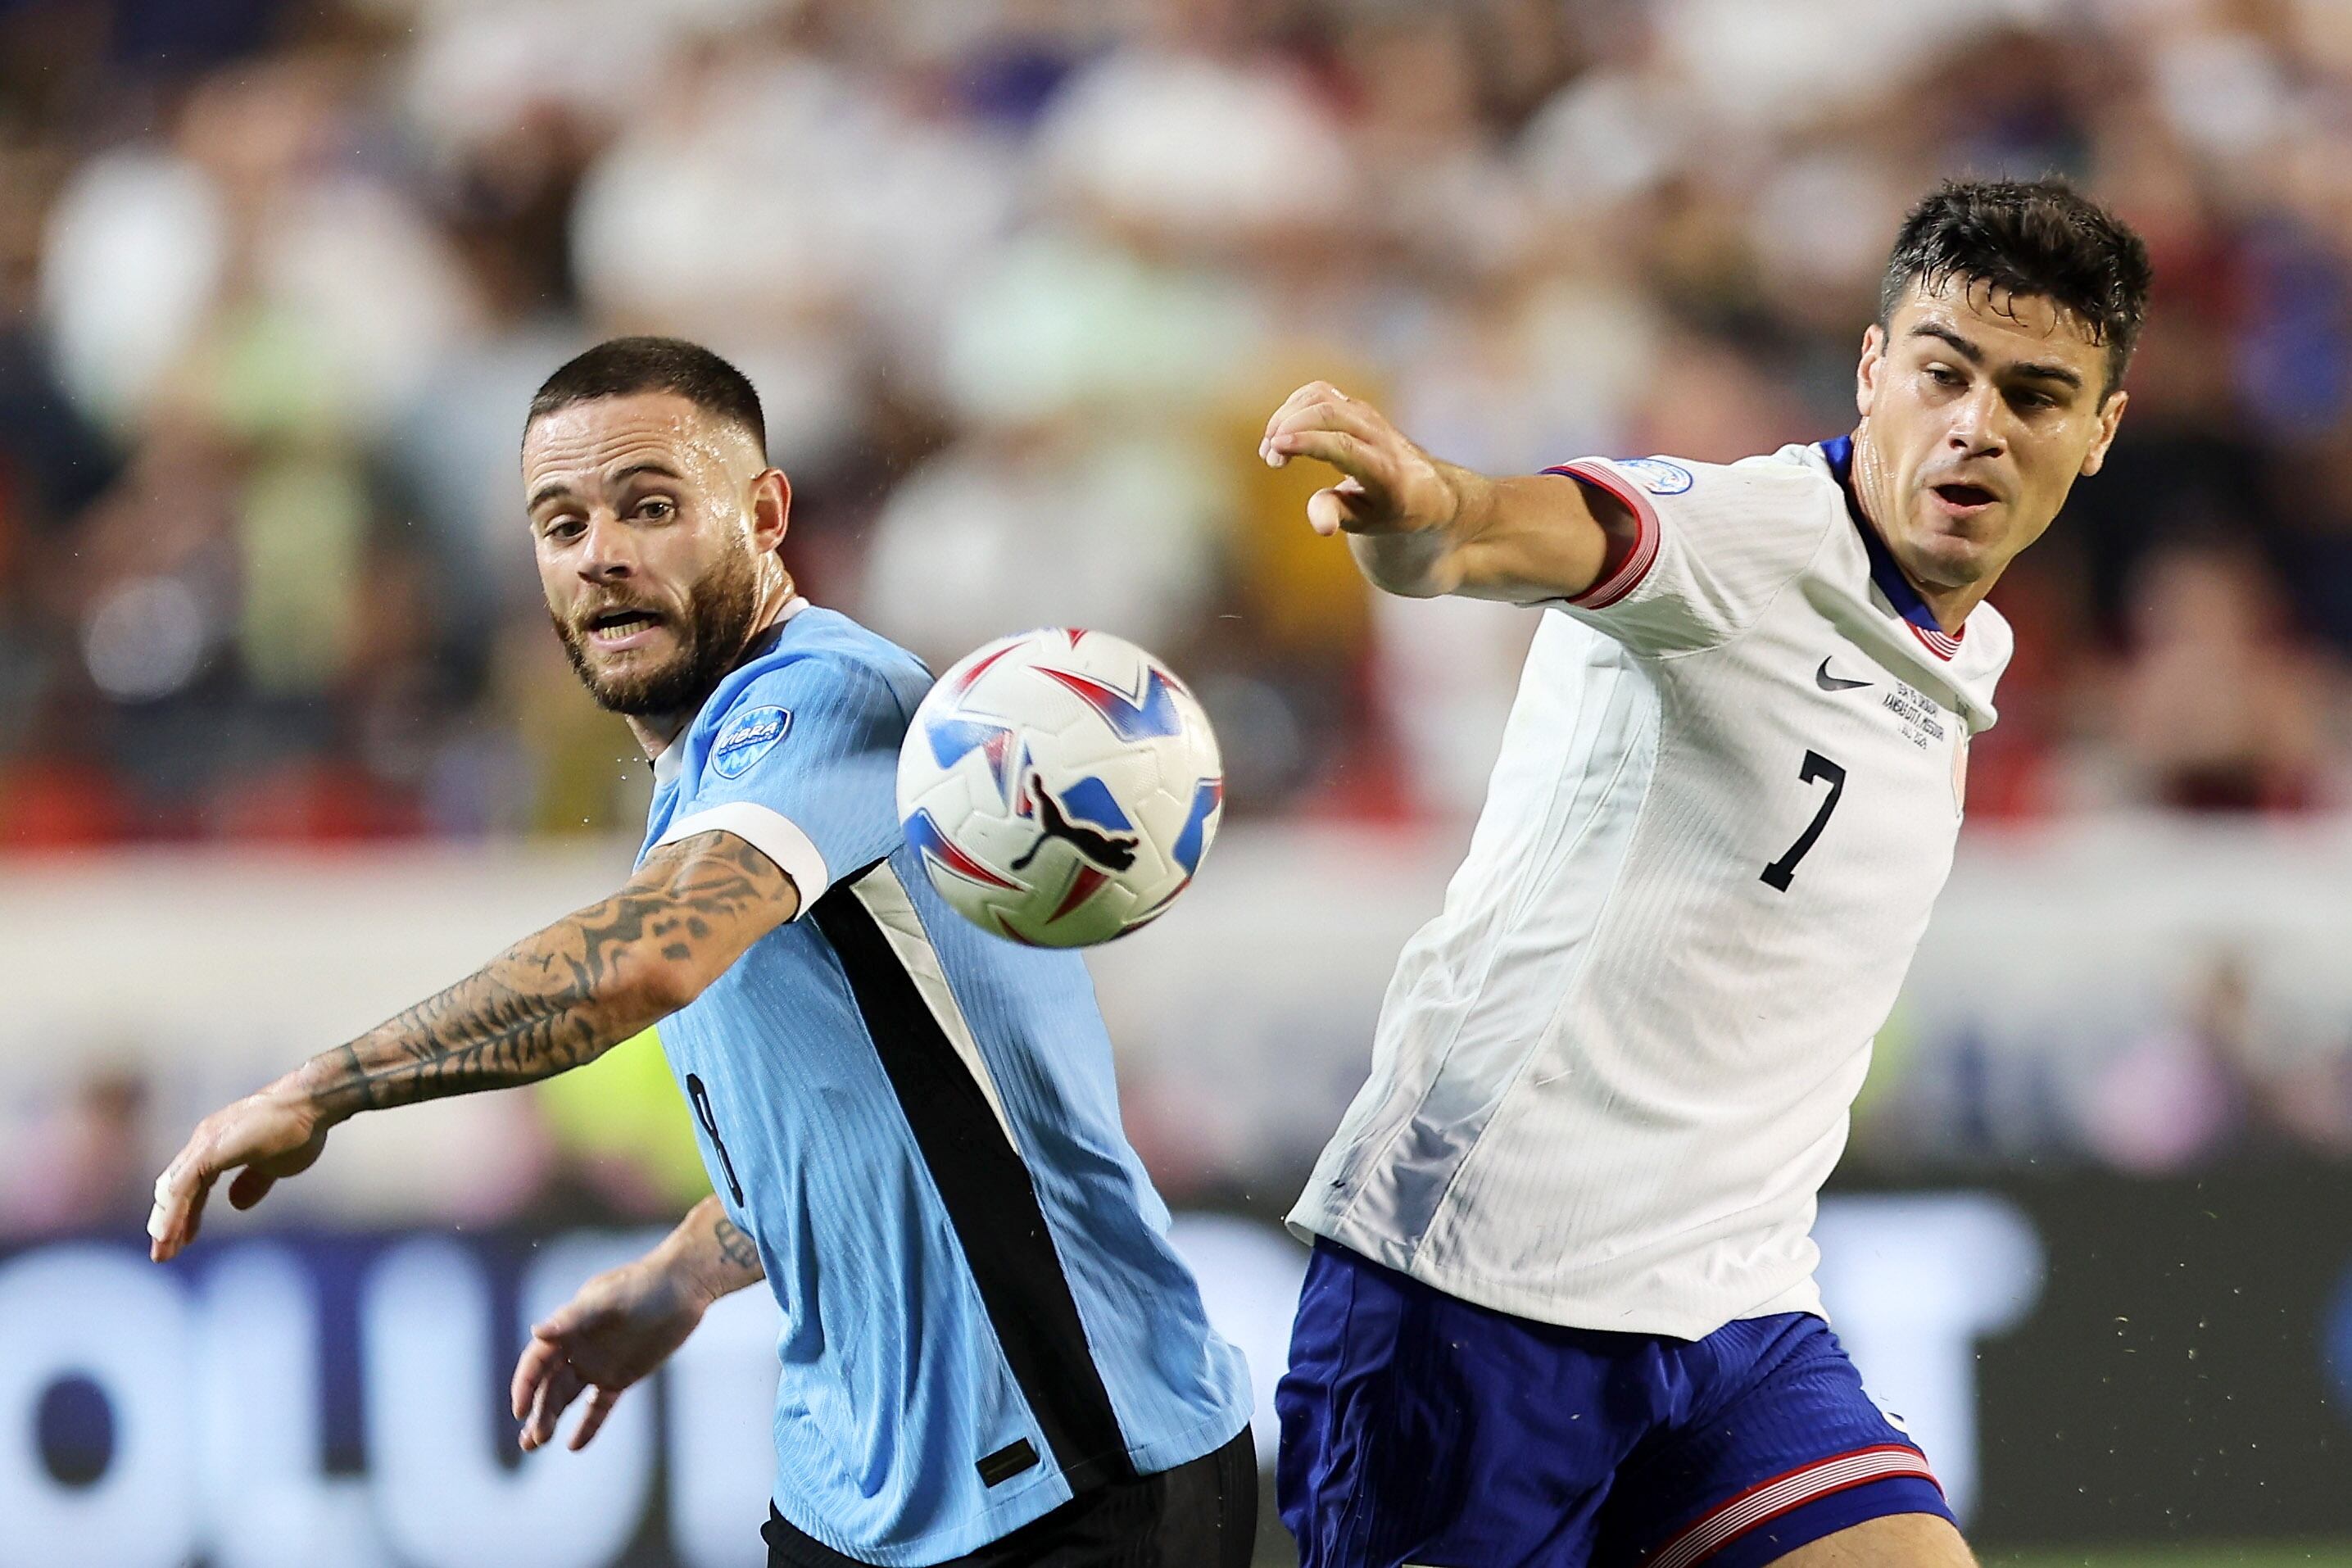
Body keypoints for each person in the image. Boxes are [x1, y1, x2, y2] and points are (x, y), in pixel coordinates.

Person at [147, 336, 1257, 1568]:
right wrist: (688, 1266)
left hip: (1073, 1463)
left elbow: (643, 963)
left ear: (767, 513)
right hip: (860, 1489)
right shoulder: (710, 772)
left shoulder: (827, 699)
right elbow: (859, 1118)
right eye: (560, 525)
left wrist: (321, 1089)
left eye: (651, 506)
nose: (601, 552)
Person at [1257, 179, 2150, 1568]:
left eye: (2036, 395)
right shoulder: (1751, 539)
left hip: (1730, 1310)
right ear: (1872, 370)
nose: (1978, 423)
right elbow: (1521, 530)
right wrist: (1432, 511)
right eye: (1944, 373)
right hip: (1480, 1297)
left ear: (2097, 435)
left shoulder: (1962, 652)